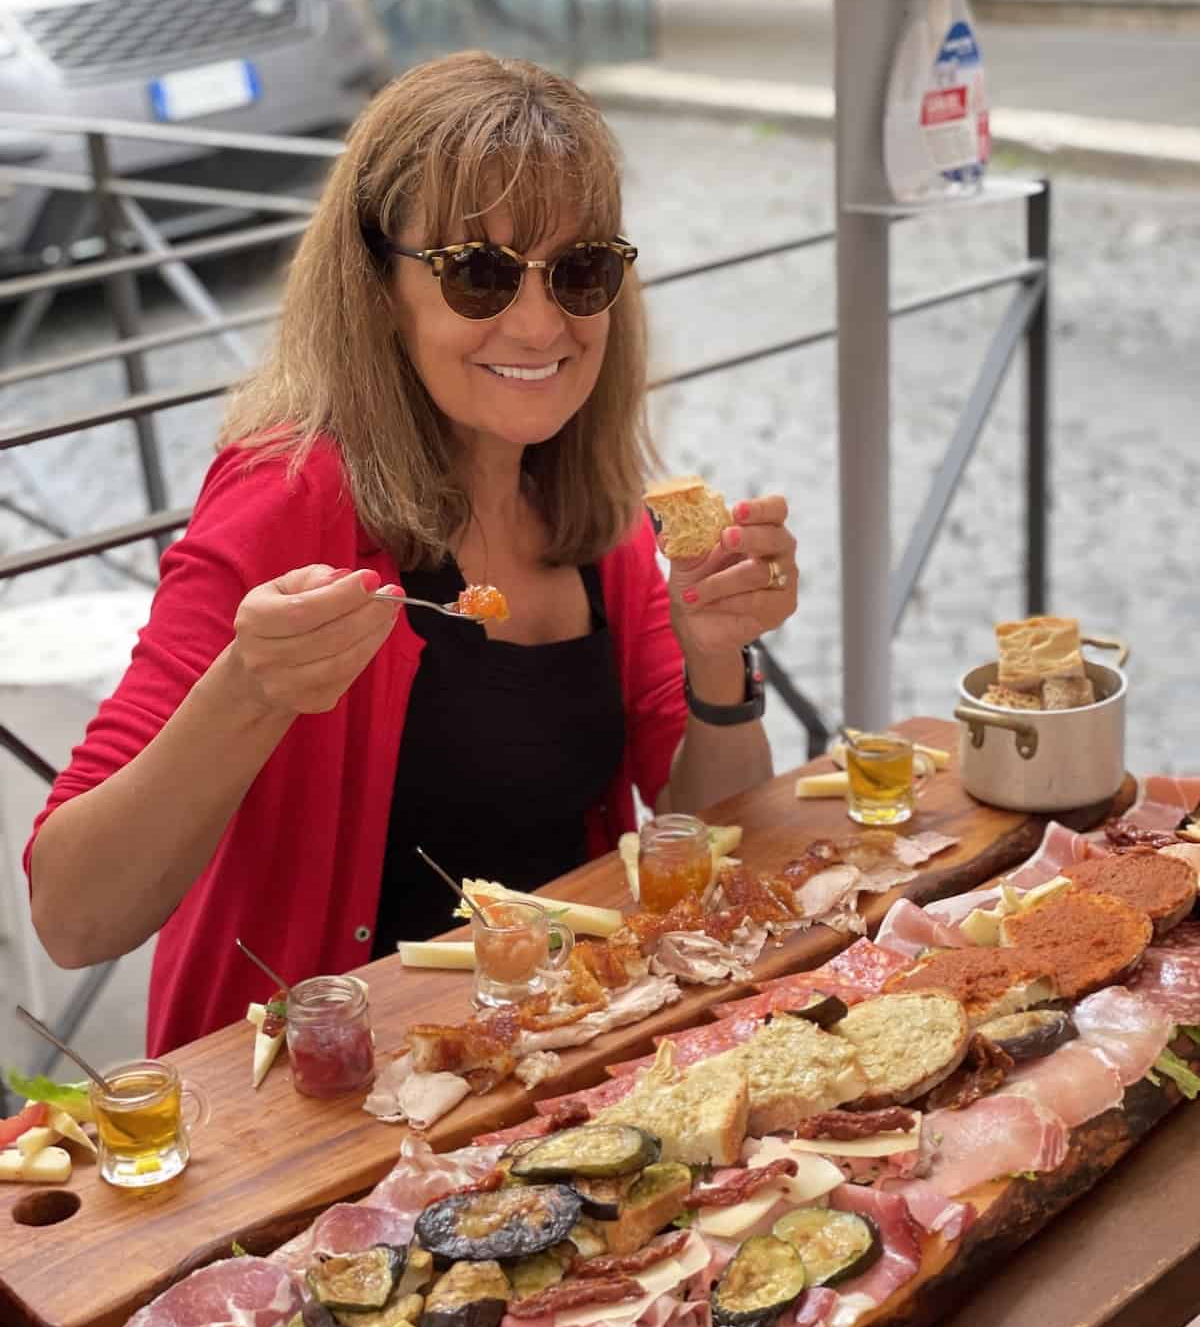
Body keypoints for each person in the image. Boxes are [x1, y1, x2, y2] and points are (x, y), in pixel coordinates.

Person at [24, 52, 798, 1057]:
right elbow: (74, 918)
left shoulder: (593, 510)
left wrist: (717, 668)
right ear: (381, 289)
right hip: (323, 1110)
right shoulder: (287, 498)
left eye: (580, 270)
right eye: (478, 273)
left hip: (558, 1060)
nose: (537, 321)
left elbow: (711, 838)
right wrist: (247, 692)